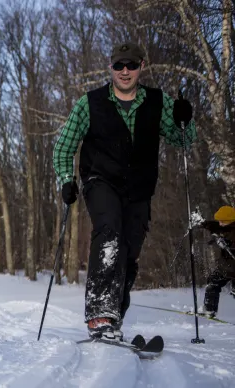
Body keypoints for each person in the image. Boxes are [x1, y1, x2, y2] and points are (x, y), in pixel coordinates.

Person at [52, 42, 197, 340]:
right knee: (109, 231)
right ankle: (99, 314)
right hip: (100, 180)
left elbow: (183, 141)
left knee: (129, 252)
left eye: (131, 64)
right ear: (111, 68)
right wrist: (67, 180)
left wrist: (185, 119)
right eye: (119, 65)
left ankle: (114, 314)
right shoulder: (89, 103)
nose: (125, 71)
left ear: (142, 66)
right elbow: (64, 147)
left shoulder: (158, 102)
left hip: (139, 187)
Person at [198, 206, 235, 318]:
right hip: (225, 268)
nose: (220, 223)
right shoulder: (224, 227)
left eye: (222, 221)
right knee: (212, 283)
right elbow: (215, 227)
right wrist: (204, 223)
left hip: (233, 268)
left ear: (229, 220)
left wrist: (227, 244)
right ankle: (209, 310)